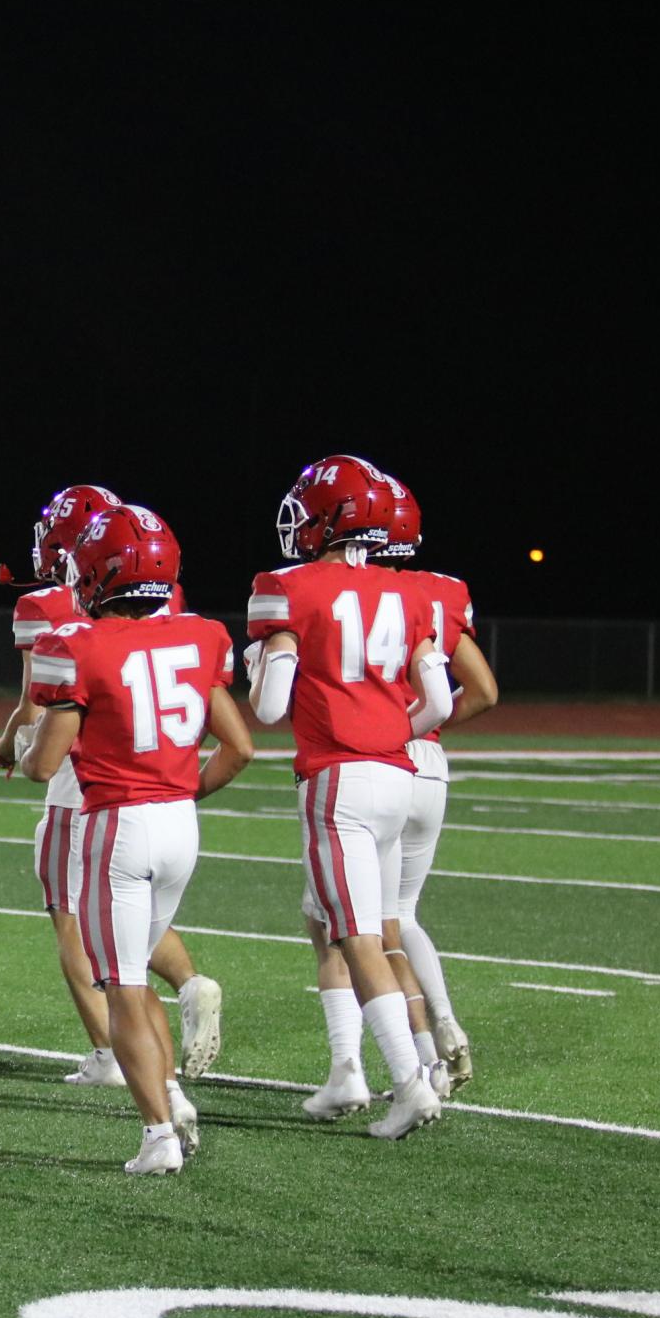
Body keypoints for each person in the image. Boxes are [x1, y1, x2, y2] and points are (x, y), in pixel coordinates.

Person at [22, 505, 252, 1174]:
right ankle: (170, 1094)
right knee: (137, 970)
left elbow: (42, 764)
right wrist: (179, 788)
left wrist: (25, 742)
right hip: (180, 822)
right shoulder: (201, 635)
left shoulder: (76, 645)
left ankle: (158, 1135)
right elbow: (237, 748)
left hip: (116, 824)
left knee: (121, 983)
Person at [0, 486, 224, 1086]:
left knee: (76, 925)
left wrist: (1, 749)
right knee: (128, 920)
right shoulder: (164, 597)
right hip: (159, 777)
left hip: (80, 786)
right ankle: (190, 984)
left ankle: (114, 1056)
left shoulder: (45, 607)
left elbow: (35, 711)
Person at [247, 455, 452, 1140]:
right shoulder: (412, 591)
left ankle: (408, 1083)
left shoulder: (288, 586)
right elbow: (441, 699)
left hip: (338, 778)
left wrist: (261, 668)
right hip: (399, 773)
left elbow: (271, 709)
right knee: (366, 923)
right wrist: (388, 729)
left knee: (356, 935)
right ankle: (366, 1071)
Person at [370, 472, 499, 1092]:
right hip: (430, 762)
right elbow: (485, 691)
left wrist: (387, 727)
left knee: (374, 927)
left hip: (376, 762)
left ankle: (419, 1061)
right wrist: (421, 724)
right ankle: (445, 1024)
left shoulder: (351, 590)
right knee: (404, 914)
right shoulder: (442, 593)